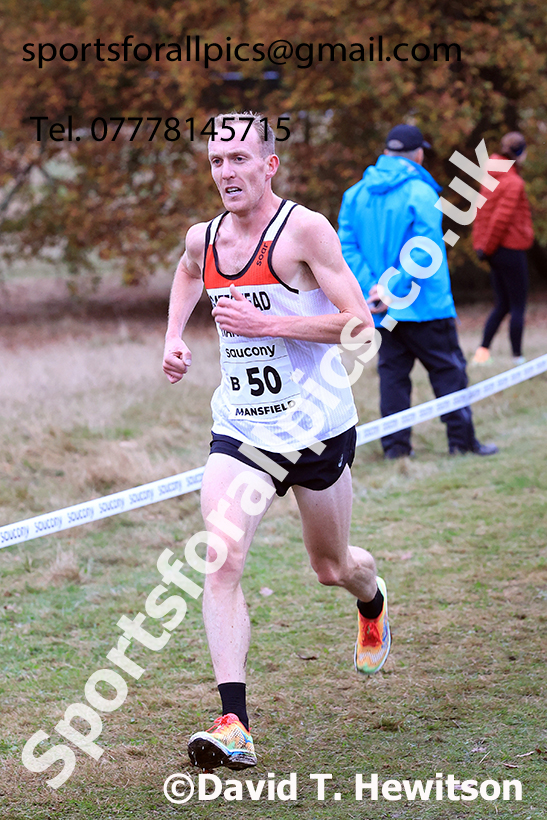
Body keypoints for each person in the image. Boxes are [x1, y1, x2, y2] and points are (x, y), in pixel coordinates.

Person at [162, 112, 390, 771]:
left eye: (239, 159)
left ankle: (369, 597)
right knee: (222, 560)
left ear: (269, 165)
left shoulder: (304, 231)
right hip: (241, 431)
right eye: (215, 161)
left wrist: (274, 319)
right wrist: (174, 337)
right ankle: (233, 721)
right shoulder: (202, 238)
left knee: (330, 567)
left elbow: (360, 329)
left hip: (315, 429)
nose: (225, 171)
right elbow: (186, 273)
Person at [338, 123, 498, 460]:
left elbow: (346, 249)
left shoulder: (354, 195)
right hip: (426, 306)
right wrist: (394, 288)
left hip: (382, 308)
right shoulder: (421, 192)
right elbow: (425, 251)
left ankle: (396, 451)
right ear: (419, 155)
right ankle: (462, 443)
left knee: (393, 378)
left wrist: (376, 289)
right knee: (448, 372)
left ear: (386, 153)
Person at [471, 132, 534, 366]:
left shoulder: (490, 176)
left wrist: (482, 247)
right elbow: (500, 219)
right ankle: (518, 357)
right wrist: (487, 247)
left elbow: (481, 214)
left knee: (503, 304)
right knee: (517, 305)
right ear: (519, 153)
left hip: (494, 250)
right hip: (509, 248)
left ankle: (482, 352)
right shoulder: (513, 182)